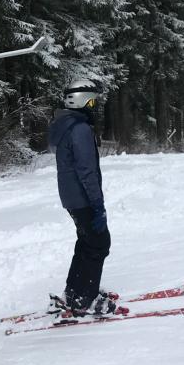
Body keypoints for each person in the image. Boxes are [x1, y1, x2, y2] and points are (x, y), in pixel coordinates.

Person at [48, 79, 116, 316]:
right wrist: (97, 205)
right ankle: (84, 299)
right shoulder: (80, 129)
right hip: (82, 197)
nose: (94, 106)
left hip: (71, 197)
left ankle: (74, 292)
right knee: (99, 243)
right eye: (92, 101)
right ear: (81, 100)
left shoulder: (66, 125)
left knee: (86, 242)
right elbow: (87, 171)